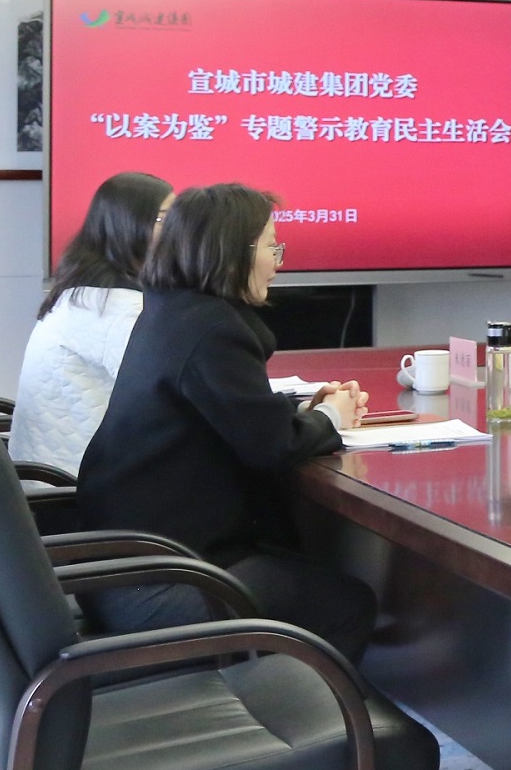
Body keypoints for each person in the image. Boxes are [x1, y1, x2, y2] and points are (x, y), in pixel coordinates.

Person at [76, 183, 379, 659]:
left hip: (122, 565)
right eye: (271, 247)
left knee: (302, 562)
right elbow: (271, 448)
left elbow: (226, 420)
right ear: (233, 253)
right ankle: (292, 706)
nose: (278, 262)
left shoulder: (174, 310)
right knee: (347, 604)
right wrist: (330, 419)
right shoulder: (213, 330)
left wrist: (305, 415)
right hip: (160, 579)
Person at [10, 171, 173, 472]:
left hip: (55, 473)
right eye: (164, 219)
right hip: (74, 484)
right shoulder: (117, 308)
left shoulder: (85, 293)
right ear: (128, 225)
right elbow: (172, 395)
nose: (178, 230)